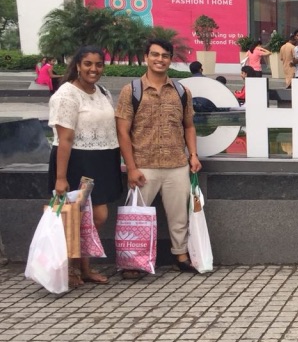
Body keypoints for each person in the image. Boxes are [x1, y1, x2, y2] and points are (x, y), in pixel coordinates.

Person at [115, 39, 203, 276]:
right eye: (155, 55)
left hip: (176, 164)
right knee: (136, 216)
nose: (160, 59)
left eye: (165, 55)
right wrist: (131, 167)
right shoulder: (131, 90)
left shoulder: (181, 91)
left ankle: (181, 256)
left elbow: (189, 126)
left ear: (170, 59)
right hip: (144, 165)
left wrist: (192, 154)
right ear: (146, 57)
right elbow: (122, 131)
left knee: (179, 216)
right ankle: (133, 261)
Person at [47, 46, 123, 287]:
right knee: (77, 219)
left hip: (101, 161)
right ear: (78, 65)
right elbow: (65, 139)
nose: (94, 69)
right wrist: (61, 178)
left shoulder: (102, 92)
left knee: (95, 218)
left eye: (98, 64)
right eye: (88, 64)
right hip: (77, 163)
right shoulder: (66, 95)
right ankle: (69, 268)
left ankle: (85, 268)